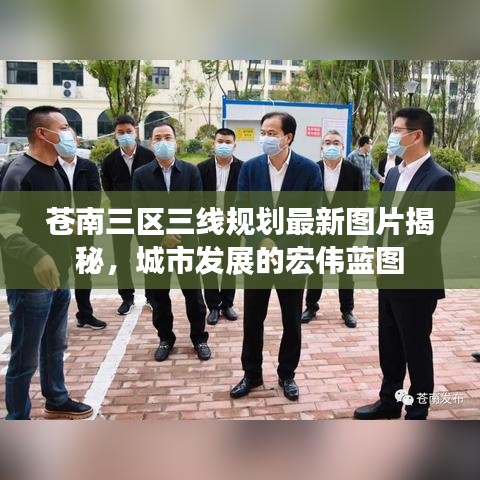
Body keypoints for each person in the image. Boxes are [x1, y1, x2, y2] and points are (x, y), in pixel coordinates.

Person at [354, 107, 455, 420]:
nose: (392, 136)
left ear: (417, 135)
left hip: (416, 279)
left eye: (397, 130)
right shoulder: (395, 173)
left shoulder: (440, 180)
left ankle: (418, 408)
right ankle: (389, 401)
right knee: (390, 343)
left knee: (416, 348)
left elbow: (426, 236)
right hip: (387, 276)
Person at [0, 105, 92, 419]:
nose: (70, 134)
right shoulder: (18, 172)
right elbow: (6, 227)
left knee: (55, 345)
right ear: (42, 132)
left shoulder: (55, 170)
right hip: (29, 281)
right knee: (25, 357)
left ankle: (56, 397)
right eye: (64, 127)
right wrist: (36, 256)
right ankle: (18, 418)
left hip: (59, 277)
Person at [230, 112, 323, 401]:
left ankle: (287, 374)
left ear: (288, 137)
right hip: (257, 256)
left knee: (291, 321)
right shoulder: (251, 168)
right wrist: (262, 240)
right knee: (252, 320)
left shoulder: (308, 170)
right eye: (264, 132)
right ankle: (252, 374)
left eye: (272, 133)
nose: (266, 138)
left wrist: (278, 244)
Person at [132, 122, 211, 362]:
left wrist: (174, 232)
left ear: (176, 141)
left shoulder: (190, 171)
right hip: (155, 247)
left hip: (186, 244)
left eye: (168, 137)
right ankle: (165, 338)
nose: (163, 142)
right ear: (151, 143)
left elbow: (196, 207)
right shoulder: (141, 174)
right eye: (158, 138)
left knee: (194, 296)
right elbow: (138, 212)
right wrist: (161, 235)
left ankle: (199, 338)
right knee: (159, 297)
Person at [301, 129, 363, 328]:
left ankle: (347, 310)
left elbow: (359, 203)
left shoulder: (354, 171)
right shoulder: (313, 169)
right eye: (327, 142)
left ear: (343, 147)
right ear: (322, 147)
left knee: (345, 273)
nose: (331, 146)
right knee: (315, 271)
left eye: (336, 143)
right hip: (318, 231)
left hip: (343, 231)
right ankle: (311, 307)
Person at [101, 115, 155, 315]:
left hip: (146, 215)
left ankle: (152, 296)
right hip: (120, 214)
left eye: (128, 131)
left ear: (136, 132)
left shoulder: (149, 156)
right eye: (121, 132)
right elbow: (107, 186)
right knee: (121, 257)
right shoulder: (109, 160)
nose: (125, 135)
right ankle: (126, 297)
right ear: (115, 135)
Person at [55, 128, 106, 330]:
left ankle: (85, 314)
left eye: (69, 139)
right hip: (59, 227)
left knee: (84, 272)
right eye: (60, 139)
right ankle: (57, 318)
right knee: (60, 272)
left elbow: (95, 196)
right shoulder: (50, 167)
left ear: (77, 142)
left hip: (85, 227)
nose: (65, 143)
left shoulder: (88, 166)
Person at [197, 128, 243, 325]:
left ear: (234, 145)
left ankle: (227, 304)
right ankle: (213, 306)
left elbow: (246, 198)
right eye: (220, 141)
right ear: (213, 144)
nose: (224, 145)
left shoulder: (243, 168)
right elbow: (196, 197)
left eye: (228, 142)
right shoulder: (201, 168)